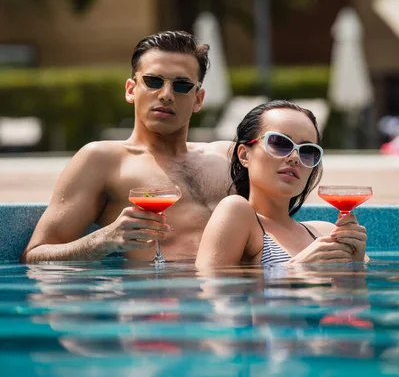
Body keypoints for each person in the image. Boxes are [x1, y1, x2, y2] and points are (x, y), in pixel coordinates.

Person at [21, 31, 232, 263]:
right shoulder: (103, 160)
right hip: (153, 293)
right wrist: (104, 240)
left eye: (182, 86)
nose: (166, 95)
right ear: (131, 90)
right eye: (153, 81)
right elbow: (35, 256)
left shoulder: (226, 157)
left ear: (198, 99)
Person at [196, 100, 367, 269]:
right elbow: (213, 287)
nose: (294, 157)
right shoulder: (236, 211)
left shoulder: (327, 232)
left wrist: (355, 265)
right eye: (279, 143)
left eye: (307, 151)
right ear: (244, 155)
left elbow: (357, 294)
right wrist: (296, 267)